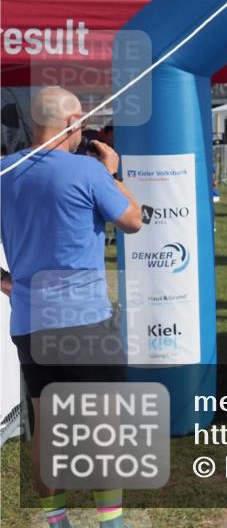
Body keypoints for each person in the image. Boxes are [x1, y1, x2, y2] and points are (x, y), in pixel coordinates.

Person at [0, 86, 143, 528]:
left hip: (29, 322)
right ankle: (111, 522)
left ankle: (56, 520)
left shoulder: (5, 170)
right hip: (83, 321)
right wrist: (113, 172)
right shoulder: (88, 170)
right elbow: (133, 220)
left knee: (47, 428)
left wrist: (9, 284)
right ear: (70, 123)